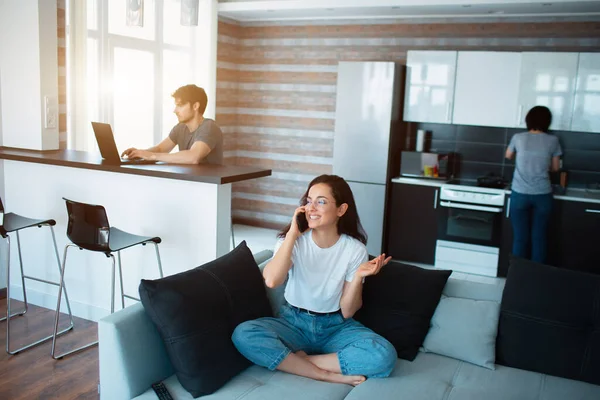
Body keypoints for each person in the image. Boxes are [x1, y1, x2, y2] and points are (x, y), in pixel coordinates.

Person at [232, 174, 397, 386]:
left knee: (383, 355)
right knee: (243, 334)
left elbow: (348, 311)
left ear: (341, 210)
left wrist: (358, 277)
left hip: (335, 327)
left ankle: (302, 362)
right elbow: (272, 281)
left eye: (321, 202)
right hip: (293, 322)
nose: (311, 207)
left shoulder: (355, 249)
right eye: (309, 201)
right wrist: (292, 234)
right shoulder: (292, 241)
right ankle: (321, 373)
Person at [505, 105, 562, 263]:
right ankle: (537, 277)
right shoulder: (553, 140)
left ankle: (516, 276)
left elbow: (508, 155)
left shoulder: (518, 137)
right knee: (539, 238)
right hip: (542, 194)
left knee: (520, 238)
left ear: (527, 120)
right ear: (547, 122)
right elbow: (556, 168)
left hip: (520, 193)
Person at [121, 84, 222, 164]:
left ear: (195, 106)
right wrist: (139, 153)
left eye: (180, 105)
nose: (175, 110)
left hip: (209, 188)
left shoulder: (209, 127)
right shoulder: (180, 128)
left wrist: (150, 156)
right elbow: (160, 149)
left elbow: (193, 157)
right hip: (189, 183)